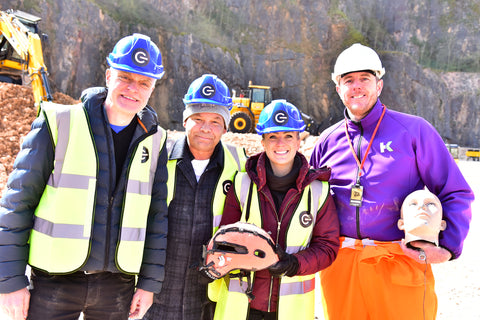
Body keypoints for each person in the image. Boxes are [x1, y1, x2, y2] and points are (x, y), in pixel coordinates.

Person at [0, 33, 168, 320]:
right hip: (54, 282)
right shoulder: (57, 122)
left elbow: (156, 219)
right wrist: (9, 282)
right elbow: (17, 204)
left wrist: (149, 285)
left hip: (117, 287)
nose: (133, 89)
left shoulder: (156, 141)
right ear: (107, 75)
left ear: (153, 87)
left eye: (144, 82)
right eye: (125, 77)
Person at [309, 43, 474, 320]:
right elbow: (308, 200)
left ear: (380, 85)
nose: (357, 86)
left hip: (399, 260)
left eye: (365, 79)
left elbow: (455, 191)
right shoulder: (327, 140)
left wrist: (446, 246)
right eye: (348, 80)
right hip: (341, 267)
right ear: (338, 89)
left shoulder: (413, 131)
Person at [214, 99, 340, 320]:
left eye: (288, 136)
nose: (280, 143)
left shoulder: (318, 191)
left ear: (299, 141)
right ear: (262, 141)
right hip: (243, 307)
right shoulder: (242, 184)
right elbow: (225, 239)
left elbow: (327, 247)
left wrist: (293, 264)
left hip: (291, 311)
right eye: (273, 136)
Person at [143, 74, 247, 320]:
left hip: (208, 293)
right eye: (198, 118)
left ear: (225, 125)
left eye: (215, 121)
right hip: (156, 290)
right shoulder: (157, 157)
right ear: (185, 120)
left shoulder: (240, 165)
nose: (205, 128)